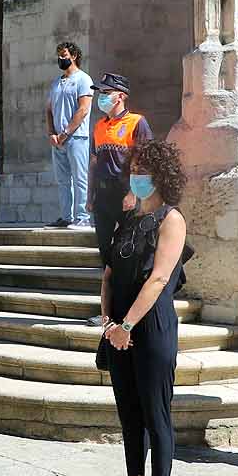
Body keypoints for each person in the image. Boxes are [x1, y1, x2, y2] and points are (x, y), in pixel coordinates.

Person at [100, 140, 189, 476]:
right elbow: (107, 275)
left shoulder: (172, 219)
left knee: (156, 413)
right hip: (117, 328)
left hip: (149, 329)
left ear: (161, 176)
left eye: (144, 169)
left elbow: (159, 279)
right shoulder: (127, 220)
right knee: (129, 414)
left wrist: (127, 326)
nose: (137, 175)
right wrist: (108, 324)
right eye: (133, 168)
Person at [89, 72, 152, 322]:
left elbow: (145, 159)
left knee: (128, 249)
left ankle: (130, 307)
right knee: (106, 250)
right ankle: (108, 308)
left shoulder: (137, 122)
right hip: (102, 194)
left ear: (121, 96)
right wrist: (89, 194)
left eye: (106, 93)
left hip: (125, 192)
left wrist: (133, 193)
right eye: (100, 93)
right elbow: (93, 162)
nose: (101, 97)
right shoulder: (99, 125)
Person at [46, 41, 93, 228]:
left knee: (80, 177)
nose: (60, 58)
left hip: (77, 138)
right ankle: (66, 216)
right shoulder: (56, 82)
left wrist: (65, 133)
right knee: (63, 180)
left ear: (73, 56)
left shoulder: (83, 80)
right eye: (58, 55)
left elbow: (83, 110)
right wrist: (51, 132)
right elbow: (49, 109)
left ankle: (82, 217)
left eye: (64, 54)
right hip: (58, 140)